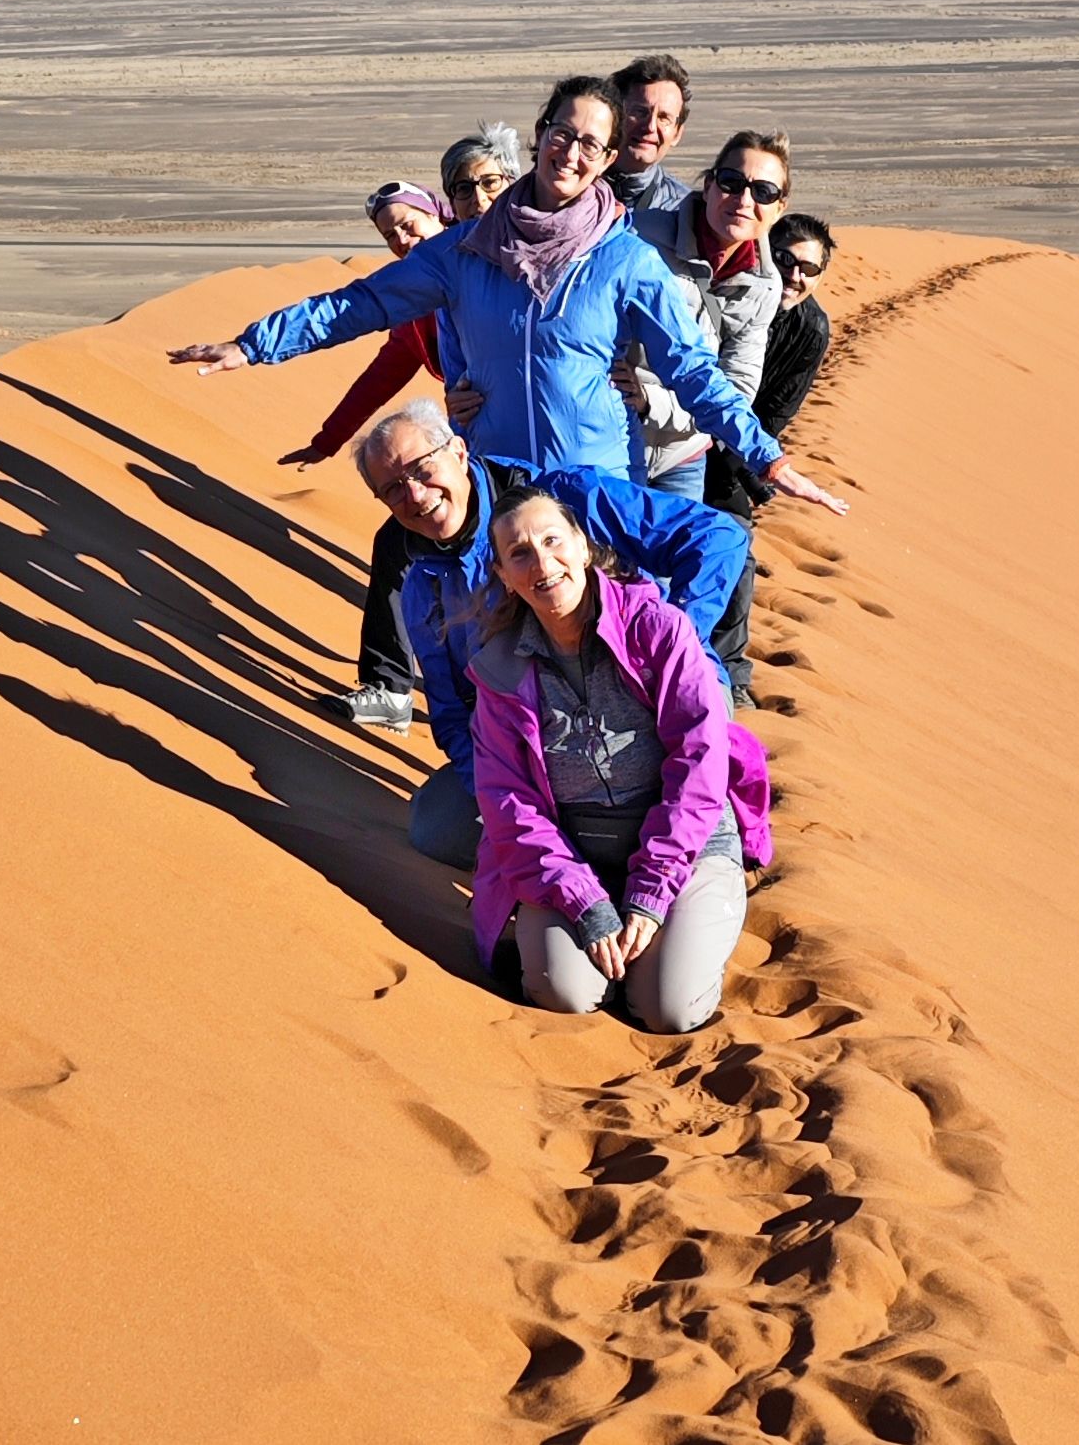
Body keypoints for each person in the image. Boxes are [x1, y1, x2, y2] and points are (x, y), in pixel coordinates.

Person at [169, 74, 846, 512]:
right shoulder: (463, 251)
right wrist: (253, 345)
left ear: (609, 160)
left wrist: (767, 456)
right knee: (495, 658)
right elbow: (363, 304)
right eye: (562, 133)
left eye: (591, 144)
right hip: (493, 483)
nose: (572, 153)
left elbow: (694, 373)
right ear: (540, 135)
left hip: (594, 491)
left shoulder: (626, 260)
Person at [350, 401, 753, 872]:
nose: (416, 495)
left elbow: (716, 537)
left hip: (652, 695)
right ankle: (578, 861)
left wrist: (671, 644)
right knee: (437, 825)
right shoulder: (425, 585)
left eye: (422, 469)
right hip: (541, 733)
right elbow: (452, 712)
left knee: (648, 782)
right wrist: (498, 789)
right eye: (393, 488)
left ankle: (694, 842)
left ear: (459, 452)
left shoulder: (563, 500)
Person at [468, 486, 771, 1031]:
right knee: (562, 992)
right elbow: (508, 803)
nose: (542, 562)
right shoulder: (500, 669)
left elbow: (700, 765)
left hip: (685, 843)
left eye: (553, 540)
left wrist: (651, 892)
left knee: (667, 1009)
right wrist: (586, 903)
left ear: (583, 548)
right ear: (505, 575)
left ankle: (684, 936)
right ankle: (618, 946)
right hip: (573, 856)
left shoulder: (659, 631)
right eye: (520, 553)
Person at [271, 180, 452, 732]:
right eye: (389, 233)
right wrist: (330, 439)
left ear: (437, 216)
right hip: (472, 443)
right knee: (399, 546)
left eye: (409, 223)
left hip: (518, 447)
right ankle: (392, 689)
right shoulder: (418, 302)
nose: (401, 238)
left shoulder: (474, 273)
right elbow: (386, 370)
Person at [703, 214, 838, 698]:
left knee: (734, 550)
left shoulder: (810, 329)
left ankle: (730, 675)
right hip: (673, 440)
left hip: (736, 455)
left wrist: (749, 466)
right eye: (784, 260)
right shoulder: (727, 294)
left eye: (809, 269)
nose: (795, 276)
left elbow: (776, 415)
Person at [624, 131, 790, 502]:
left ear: (780, 206)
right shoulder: (638, 237)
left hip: (682, 454)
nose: (744, 200)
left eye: (763, 192)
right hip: (615, 438)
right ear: (710, 184)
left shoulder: (764, 285)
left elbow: (738, 388)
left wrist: (653, 402)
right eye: (732, 183)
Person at [607, 53, 693, 212]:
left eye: (663, 118)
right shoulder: (569, 188)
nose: (650, 127)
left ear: (677, 134)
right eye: (639, 112)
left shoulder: (684, 211)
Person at [440, 123, 521, 222]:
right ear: (452, 204)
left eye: (489, 182)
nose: (479, 198)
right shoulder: (444, 238)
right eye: (464, 189)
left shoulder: (540, 234)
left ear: (514, 186)